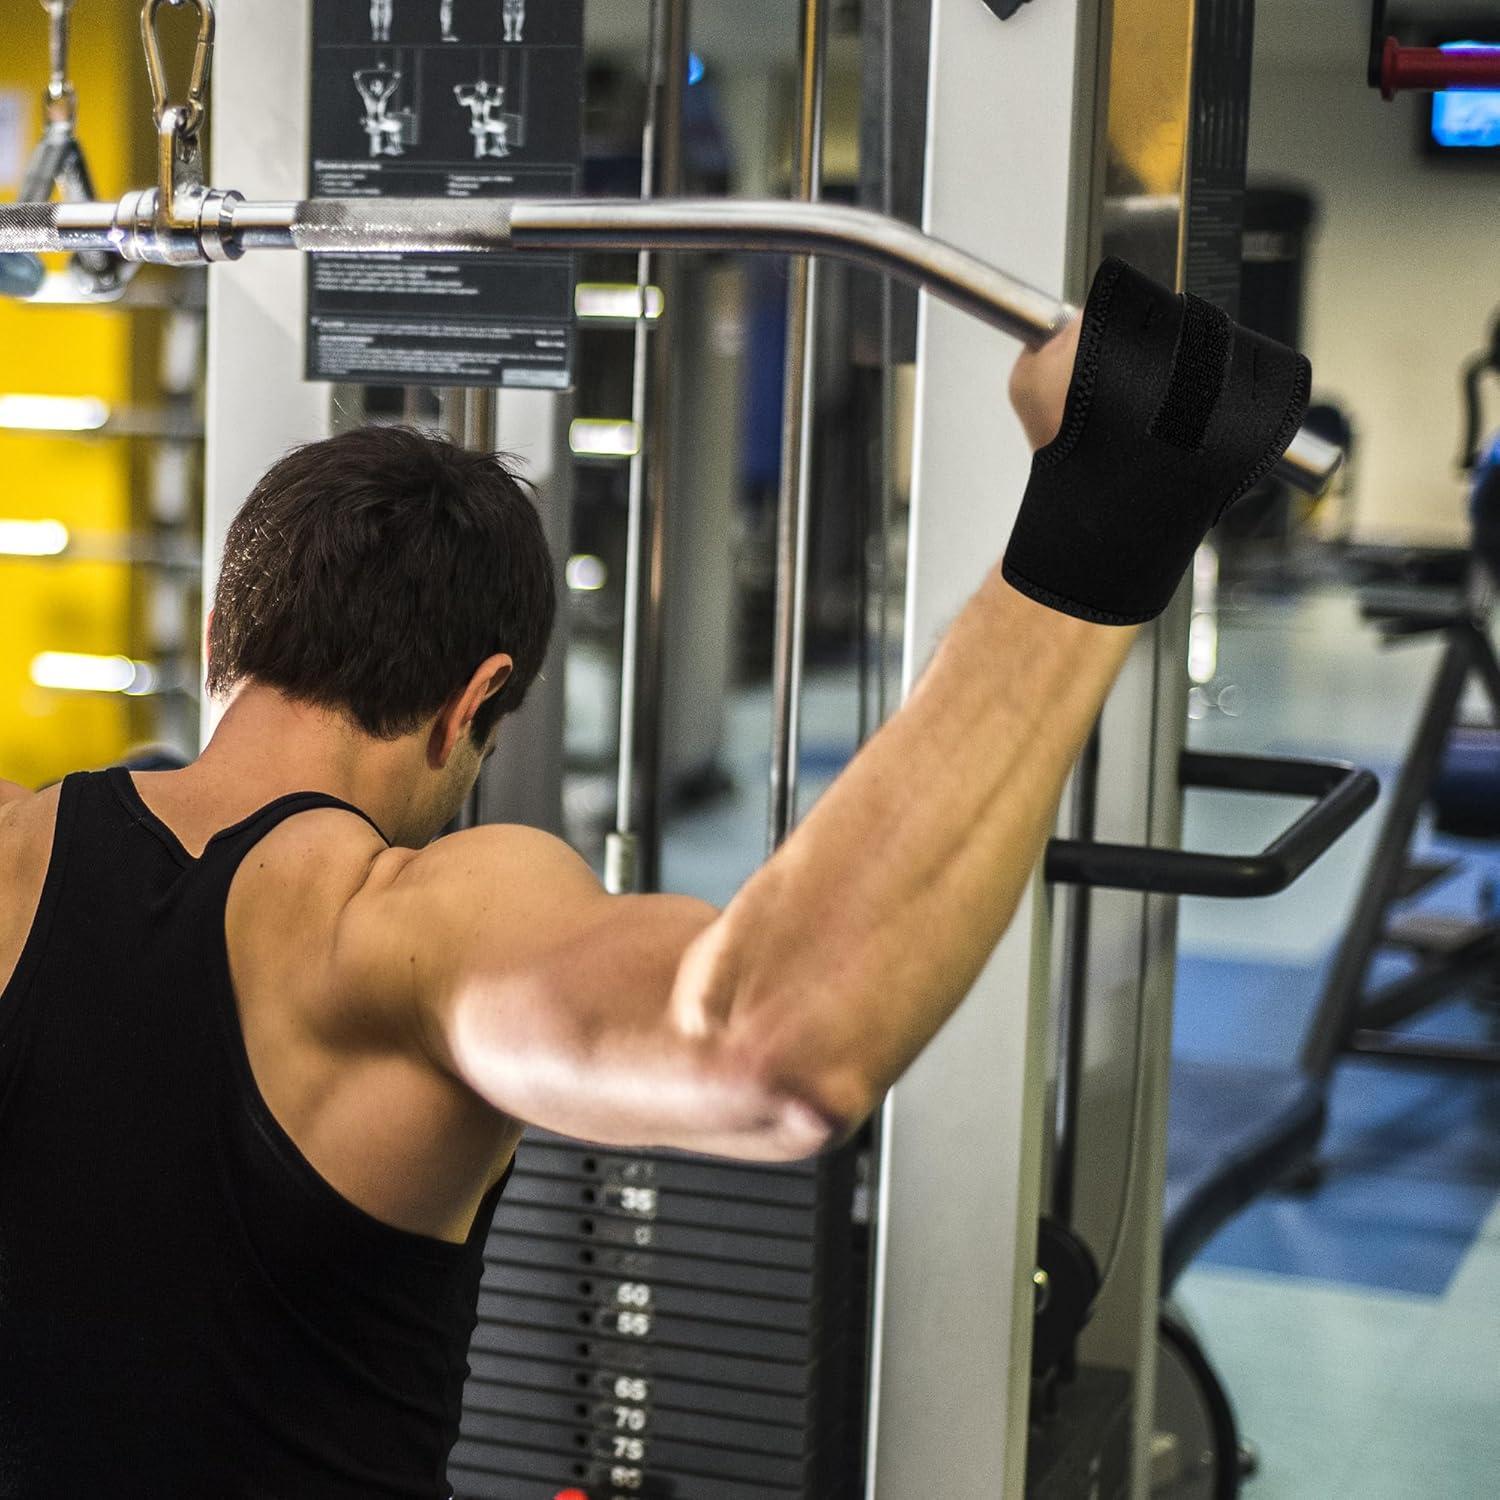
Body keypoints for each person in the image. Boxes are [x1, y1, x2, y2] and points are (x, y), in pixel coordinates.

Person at [0, 268, 1308, 1496]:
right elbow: (770, 1047)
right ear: (479, 702)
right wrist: (1108, 513)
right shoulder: (399, 933)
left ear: (224, 636)